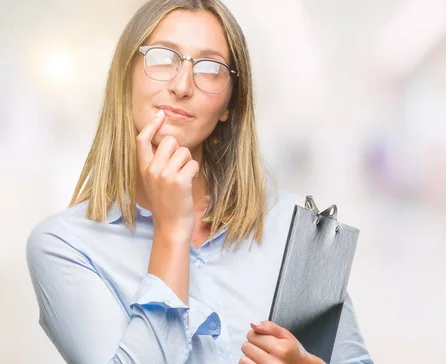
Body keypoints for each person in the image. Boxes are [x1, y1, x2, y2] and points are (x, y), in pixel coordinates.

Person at [25, 0, 372, 363]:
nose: (182, 85)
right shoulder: (64, 245)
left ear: (228, 106)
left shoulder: (293, 226)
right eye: (162, 57)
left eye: (209, 68)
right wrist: (172, 231)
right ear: (124, 77)